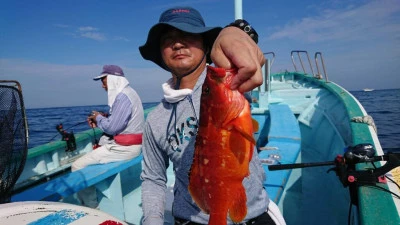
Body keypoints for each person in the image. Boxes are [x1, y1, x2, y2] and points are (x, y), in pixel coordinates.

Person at [139, 6, 286, 225]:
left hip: (253, 215)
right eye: (168, 40)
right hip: (191, 219)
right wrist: (152, 220)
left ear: (207, 45)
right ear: (161, 53)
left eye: (188, 35)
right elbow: (153, 178)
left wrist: (233, 31)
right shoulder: (155, 119)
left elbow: (241, 41)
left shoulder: (229, 80)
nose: (177, 43)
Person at [71, 65, 145, 208]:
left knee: (77, 166)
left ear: (113, 80)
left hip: (125, 149)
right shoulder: (130, 93)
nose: (102, 85)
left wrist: (98, 118)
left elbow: (112, 128)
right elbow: (120, 122)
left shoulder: (122, 97)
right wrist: (104, 117)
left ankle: (91, 206)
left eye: (104, 80)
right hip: (132, 146)